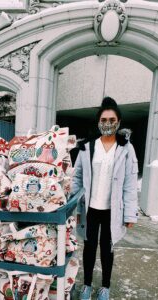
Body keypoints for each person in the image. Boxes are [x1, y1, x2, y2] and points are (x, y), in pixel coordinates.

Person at [71, 97, 138, 300]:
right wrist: (76, 209)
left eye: (112, 120)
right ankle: (87, 285)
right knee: (89, 247)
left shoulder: (126, 149)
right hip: (91, 207)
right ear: (98, 122)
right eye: (104, 119)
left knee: (107, 248)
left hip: (112, 209)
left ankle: (106, 287)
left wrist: (130, 214)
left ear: (118, 122)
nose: (107, 124)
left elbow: (130, 183)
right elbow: (77, 178)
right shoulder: (87, 147)